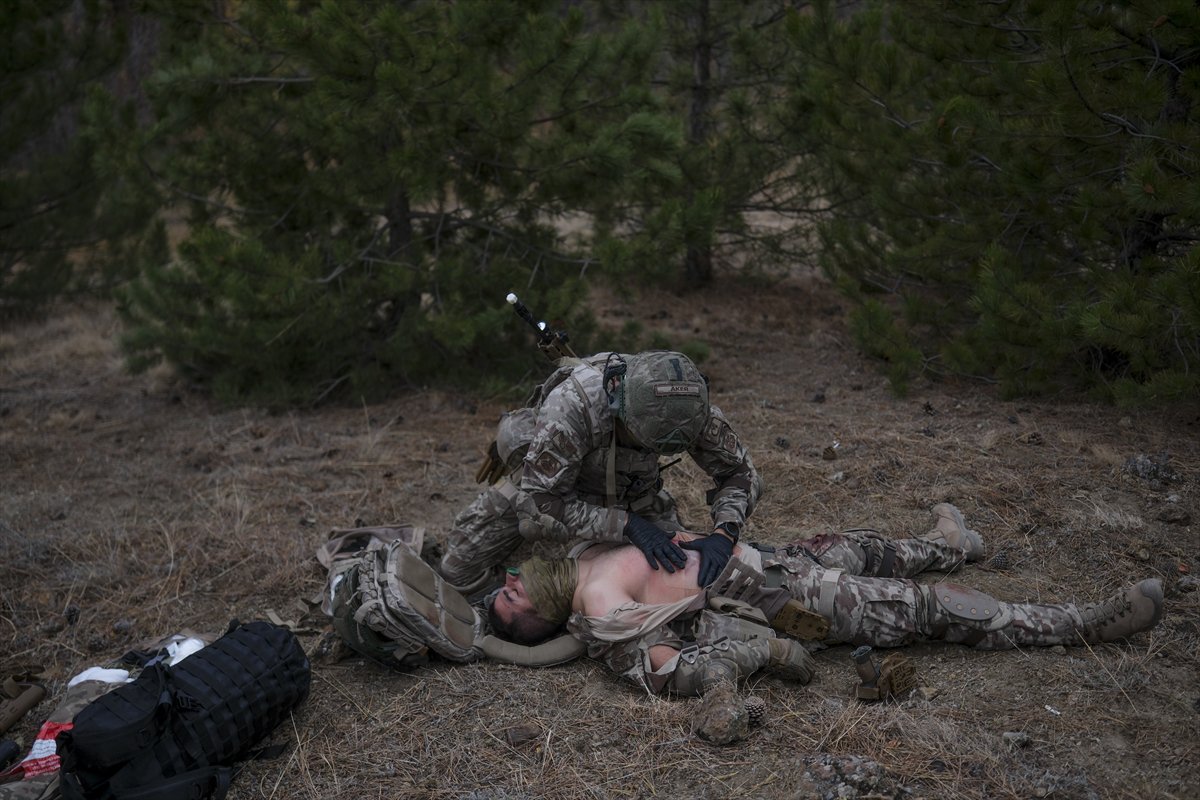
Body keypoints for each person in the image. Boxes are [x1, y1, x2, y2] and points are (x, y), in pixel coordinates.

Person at [487, 504, 1165, 696]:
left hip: (769, 556)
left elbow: (526, 495)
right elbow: (671, 667)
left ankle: (951, 539)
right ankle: (1087, 624)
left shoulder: (578, 552)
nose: (508, 587)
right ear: (538, 624)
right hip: (786, 596)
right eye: (507, 608)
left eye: (504, 586)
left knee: (866, 545)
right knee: (931, 608)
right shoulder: (602, 617)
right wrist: (766, 651)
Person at [439, 350, 761, 595]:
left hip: (631, 493)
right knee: (456, 569)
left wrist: (724, 533)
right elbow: (541, 501)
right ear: (619, 403)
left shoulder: (691, 409)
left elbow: (739, 473)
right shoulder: (574, 406)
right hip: (553, 488)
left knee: (679, 575)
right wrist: (626, 526)